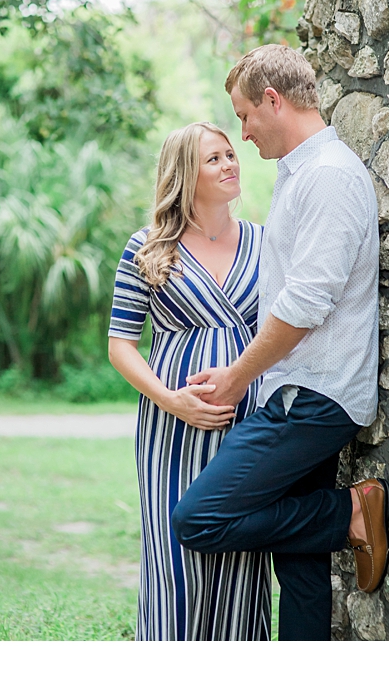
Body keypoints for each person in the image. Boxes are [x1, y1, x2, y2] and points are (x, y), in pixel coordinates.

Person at [168, 44, 389, 641]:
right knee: (300, 570)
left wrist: (237, 376)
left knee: (200, 518)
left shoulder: (329, 176)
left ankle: (347, 512)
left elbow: (306, 305)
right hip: (296, 393)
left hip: (312, 398)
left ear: (273, 100)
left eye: (243, 115)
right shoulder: (302, 175)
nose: (242, 133)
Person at [108, 122, 270, 640]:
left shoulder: (268, 243)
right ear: (184, 175)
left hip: (249, 420)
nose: (230, 164)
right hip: (172, 427)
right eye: (214, 159)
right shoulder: (148, 248)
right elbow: (120, 345)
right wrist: (171, 400)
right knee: (175, 563)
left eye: (230, 154)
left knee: (243, 557)